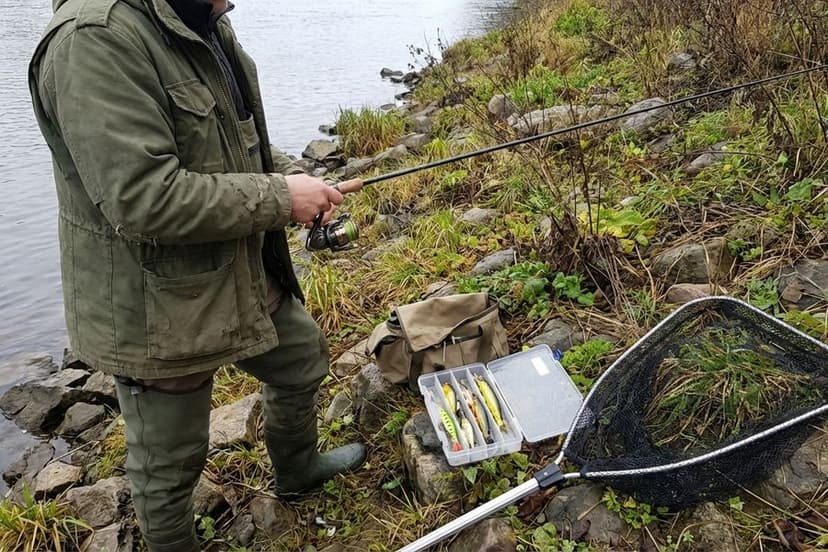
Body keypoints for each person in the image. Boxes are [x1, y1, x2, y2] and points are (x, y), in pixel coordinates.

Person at [28, 0, 367, 550]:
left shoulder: (202, 18)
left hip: (239, 269)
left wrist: (292, 178)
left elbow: (237, 141)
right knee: (170, 462)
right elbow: (141, 199)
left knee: (302, 359)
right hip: (154, 304)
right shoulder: (92, 41)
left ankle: (298, 471)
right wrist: (281, 198)